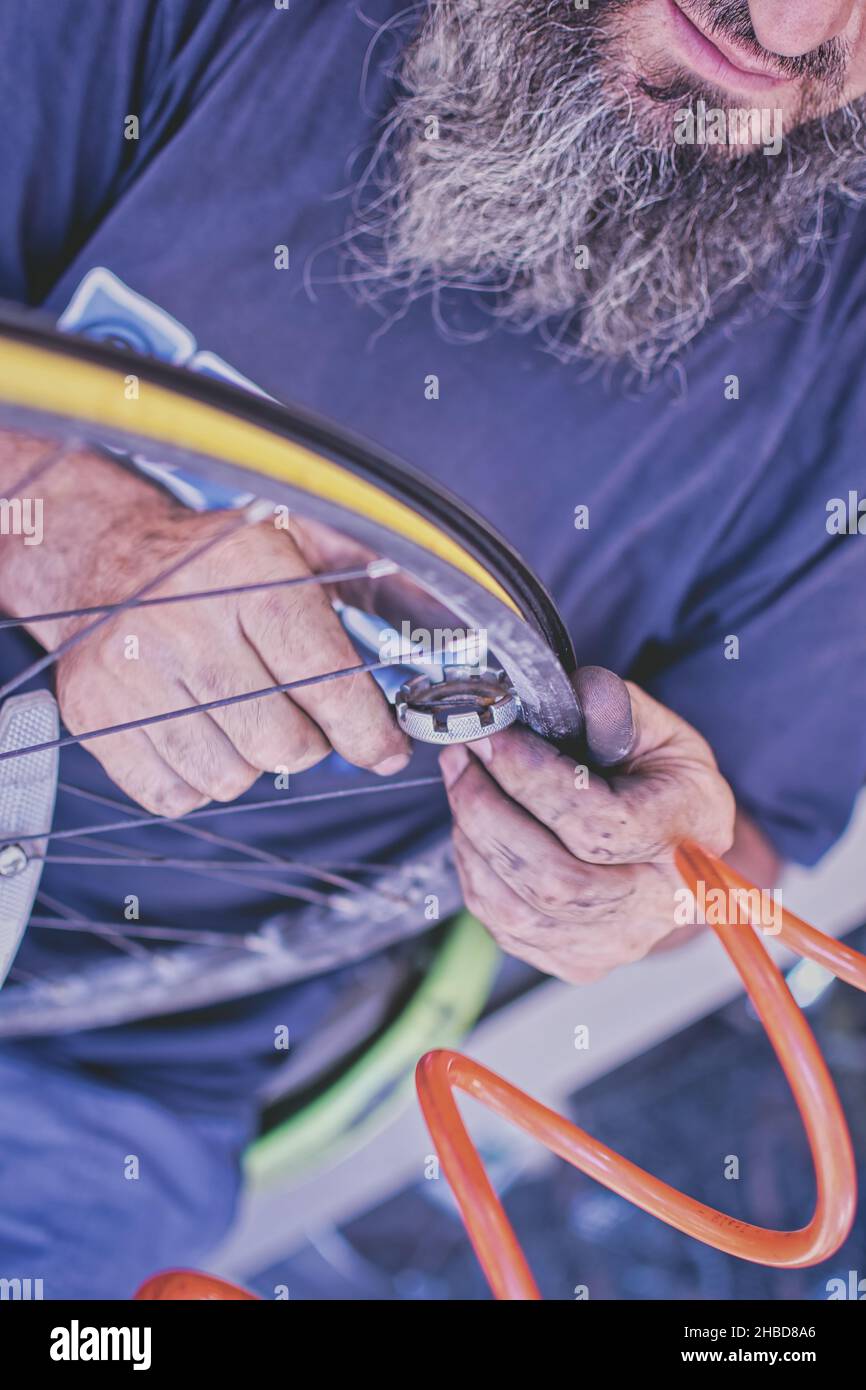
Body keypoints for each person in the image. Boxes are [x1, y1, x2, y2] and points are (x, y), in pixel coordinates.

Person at [0, 0, 864, 1297]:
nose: (793, 26)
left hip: (102, 1081)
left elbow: (736, 852)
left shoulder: (844, 380)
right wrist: (67, 535)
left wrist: (627, 890)